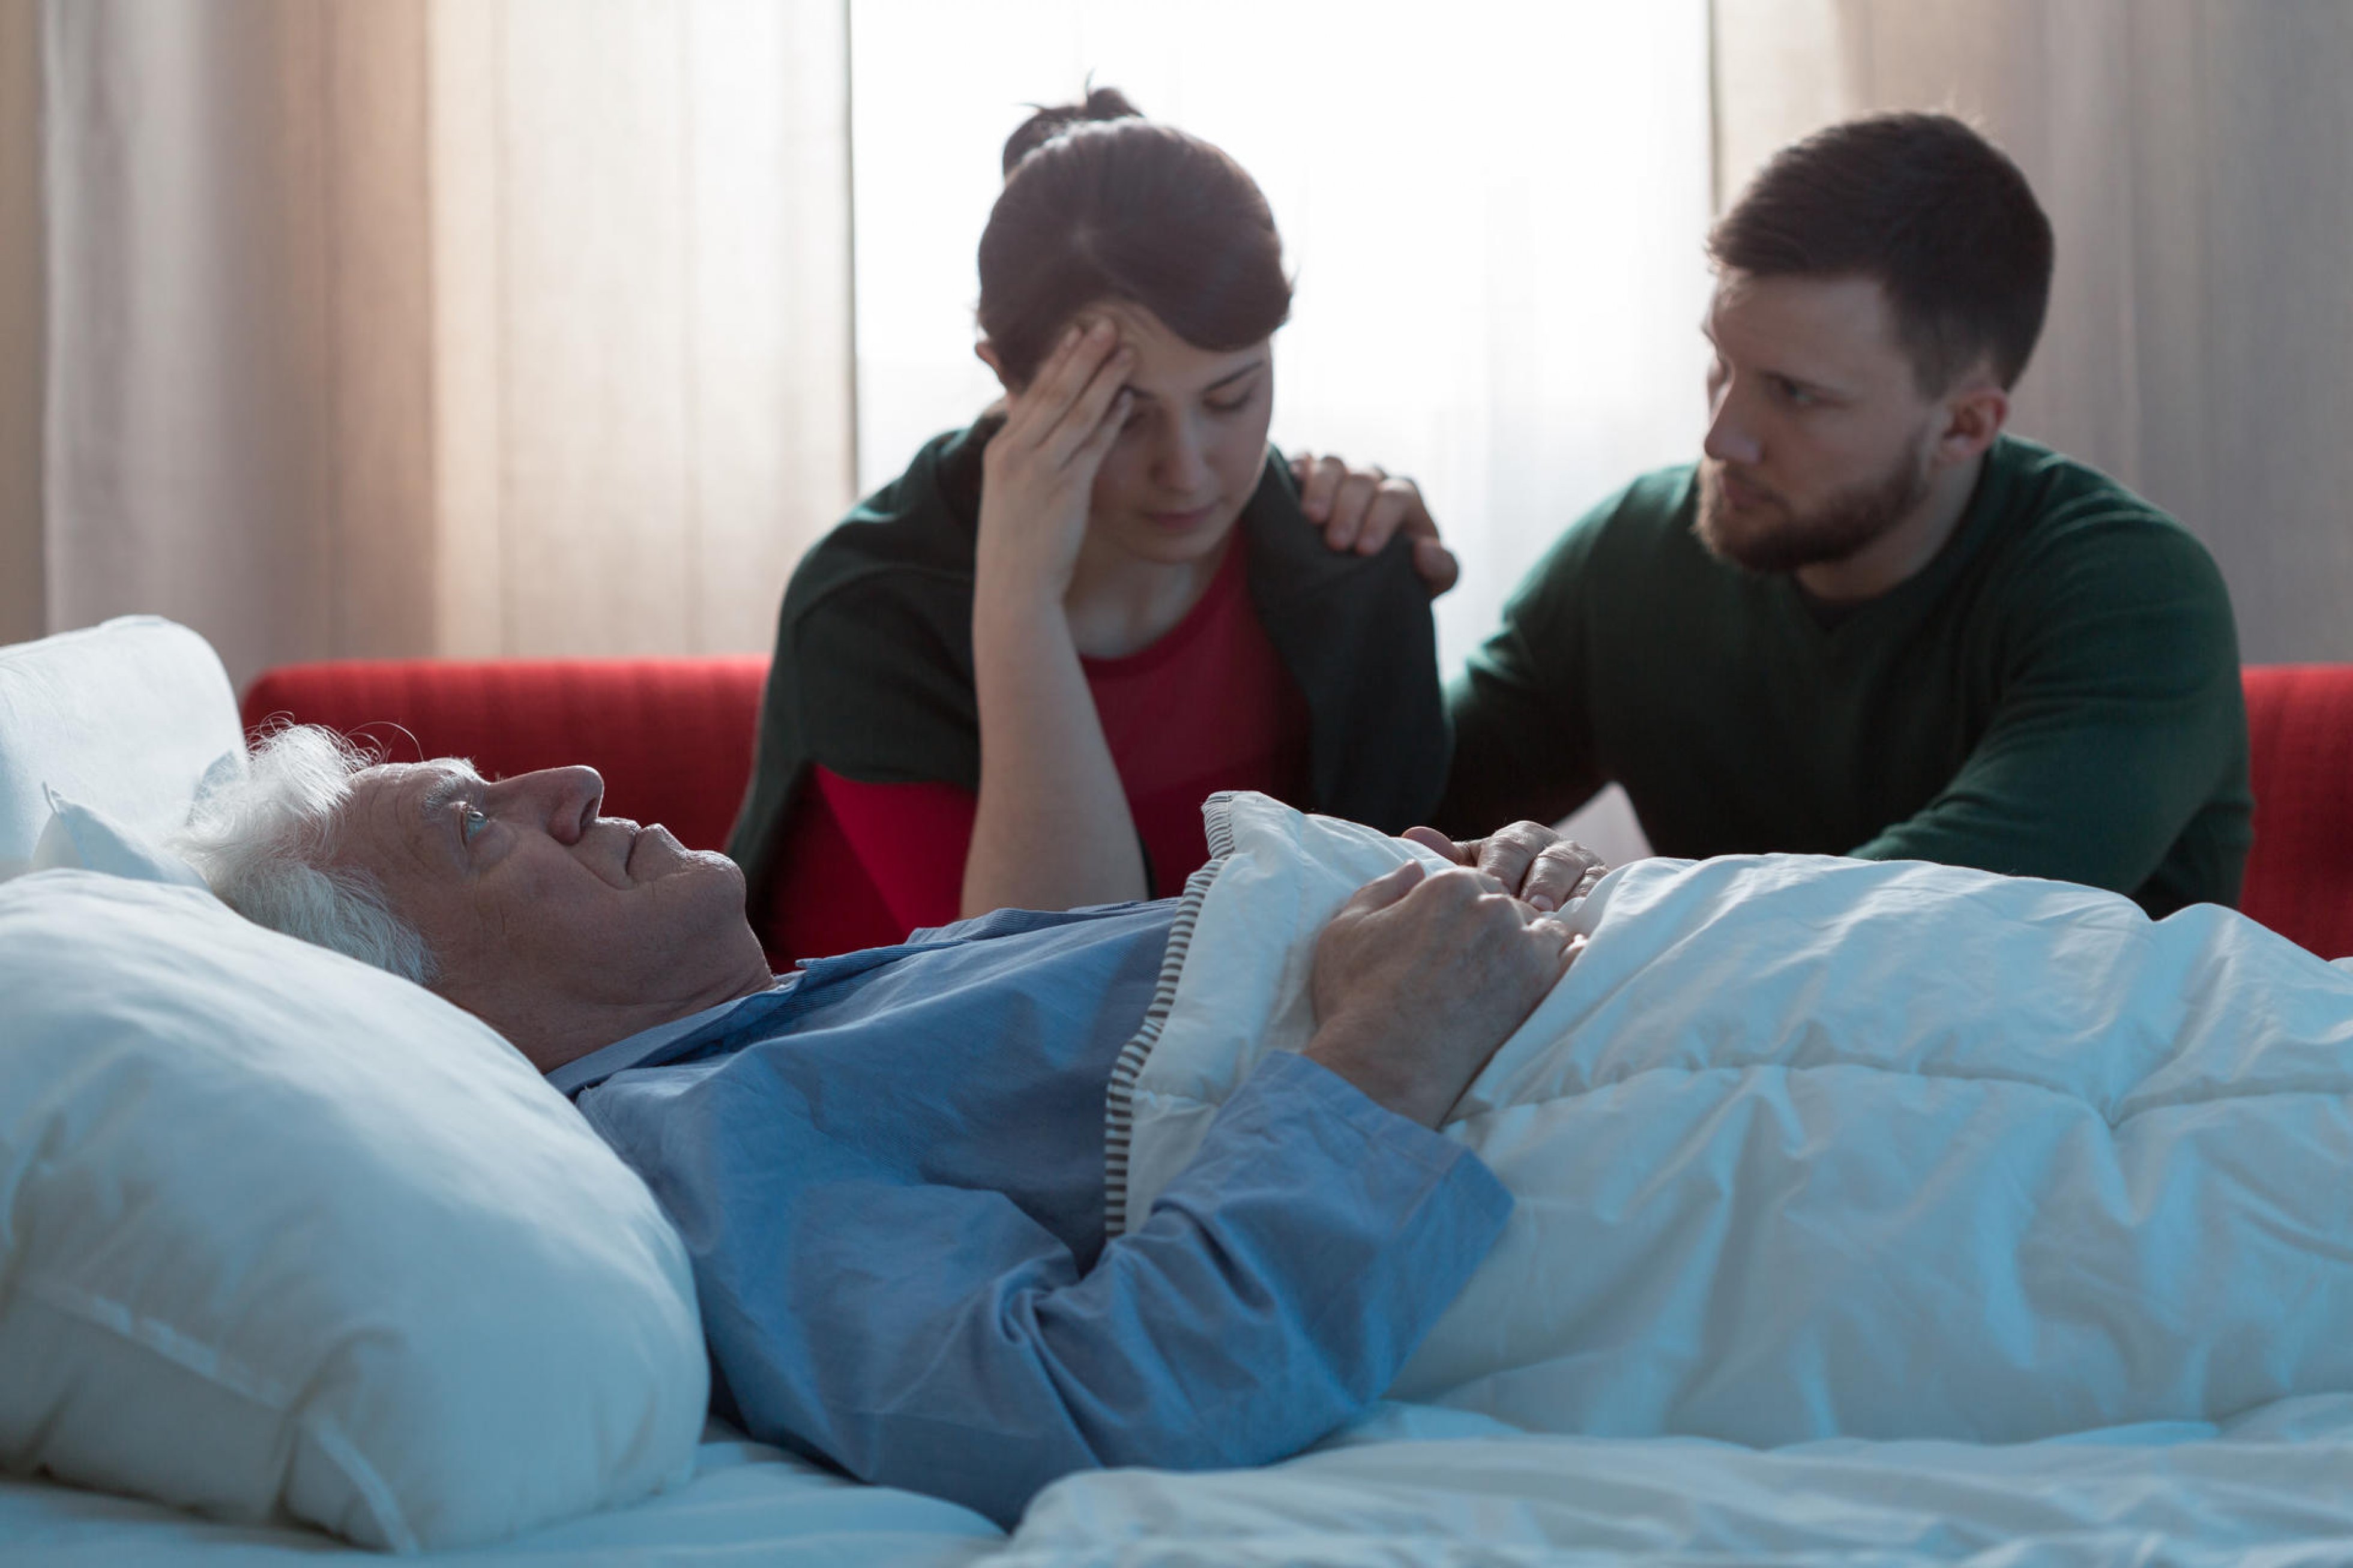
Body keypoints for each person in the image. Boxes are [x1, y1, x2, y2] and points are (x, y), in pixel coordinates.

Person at [175, 724, 1606, 1527]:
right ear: (442, 1015)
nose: (573, 784)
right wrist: (1388, 1042)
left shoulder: (797, 1020)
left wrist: (1439, 892)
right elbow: (1085, 1408)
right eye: (474, 830)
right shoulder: (695, 1136)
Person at [1436, 112, 2252, 918]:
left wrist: (1593, 905)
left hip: (2048, 1049)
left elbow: (1918, 921)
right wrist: (1357, 586)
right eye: (1721, 363)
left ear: (1964, 426)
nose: (1722, 436)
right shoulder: (1634, 554)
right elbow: (1386, 812)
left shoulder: (2134, 596)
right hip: (1732, 1047)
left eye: (1795, 394)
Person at [728, 89, 1457, 968]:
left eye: (1230, 397)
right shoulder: (870, 608)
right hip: (877, 1079)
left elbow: (1386, 950)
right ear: (1005, 377)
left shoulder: (1351, 567)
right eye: (1122, 411)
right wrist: (1019, 605)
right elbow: (1039, 994)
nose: (1186, 468)